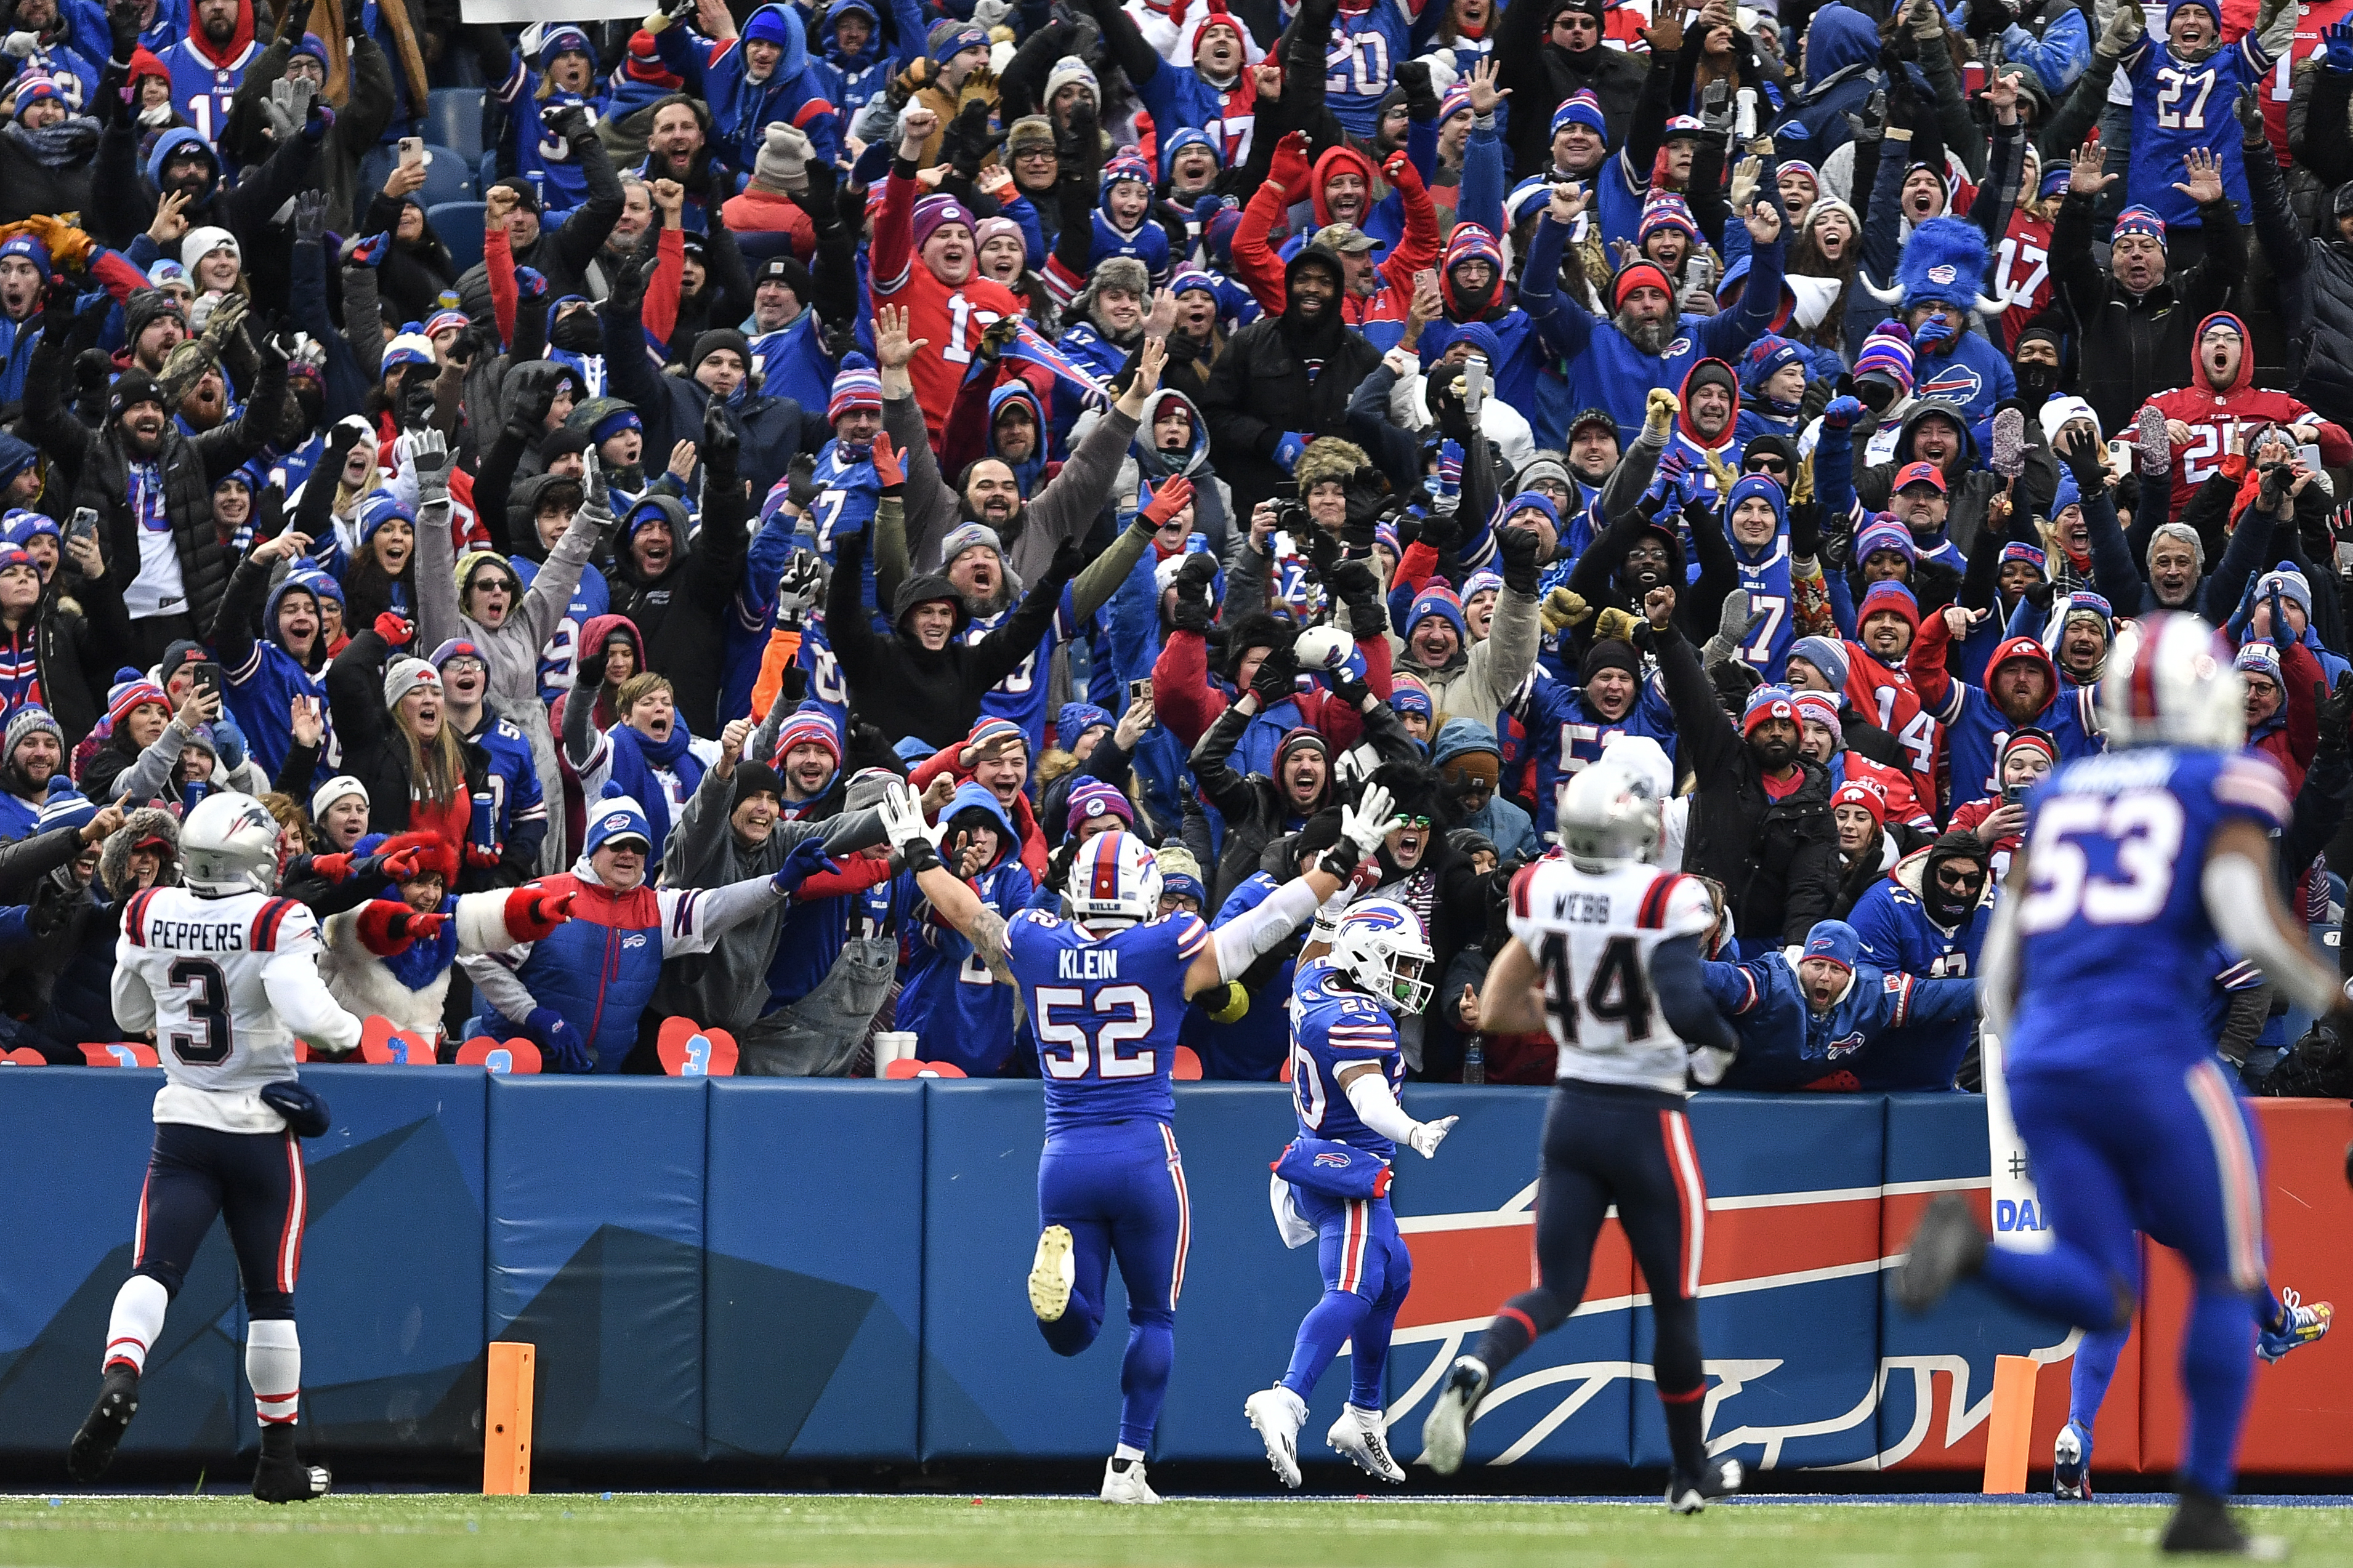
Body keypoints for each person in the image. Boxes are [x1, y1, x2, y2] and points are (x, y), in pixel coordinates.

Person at [1895, 613, 2352, 1556]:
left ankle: (1974, 1249)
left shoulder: (2059, 791)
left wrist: (2010, 1056)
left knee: (2102, 1289)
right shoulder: (2215, 781)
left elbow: (2005, 961)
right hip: (2148, 1053)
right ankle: (2201, 1508)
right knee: (2227, 1275)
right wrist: (2336, 1001)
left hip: (2042, 1061)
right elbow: (2247, 923)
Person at [873, 776, 1399, 1503]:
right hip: (1144, 1153)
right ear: (1144, 893)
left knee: (1074, 1327)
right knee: (1152, 1316)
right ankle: (1126, 1466)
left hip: (1064, 1155)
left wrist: (916, 852)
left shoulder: (1035, 939)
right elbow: (1262, 927)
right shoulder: (1167, 945)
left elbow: (970, 916)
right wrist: (1339, 861)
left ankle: (1058, 1299)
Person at [1421, 750, 1745, 1513]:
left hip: (1570, 1110)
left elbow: (1499, 1008)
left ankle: (1480, 1362)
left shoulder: (1538, 885)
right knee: (1673, 1301)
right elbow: (1681, 997)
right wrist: (1721, 1044)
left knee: (1554, 1286)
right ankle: (1687, 1471)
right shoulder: (1667, 896)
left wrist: (1575, 1018)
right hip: (1646, 1115)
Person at [67, 792, 356, 1502]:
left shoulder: (149, 909)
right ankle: (278, 1463)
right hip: (260, 1134)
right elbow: (314, 1019)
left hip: (185, 1131)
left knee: (155, 1269)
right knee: (270, 1299)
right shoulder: (275, 918)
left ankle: (122, 1372)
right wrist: (346, 1032)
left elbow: (128, 1012)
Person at [1243, 898, 1458, 1489]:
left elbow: (1314, 945)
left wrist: (1332, 902)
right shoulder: (1356, 1018)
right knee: (1356, 1285)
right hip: (1347, 1171)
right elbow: (1368, 1101)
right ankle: (1286, 1398)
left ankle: (1362, 1416)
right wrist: (1414, 1131)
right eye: (1399, 963)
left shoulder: (1318, 976)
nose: (1409, 978)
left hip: (1333, 1157)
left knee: (1394, 1278)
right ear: (1364, 954)